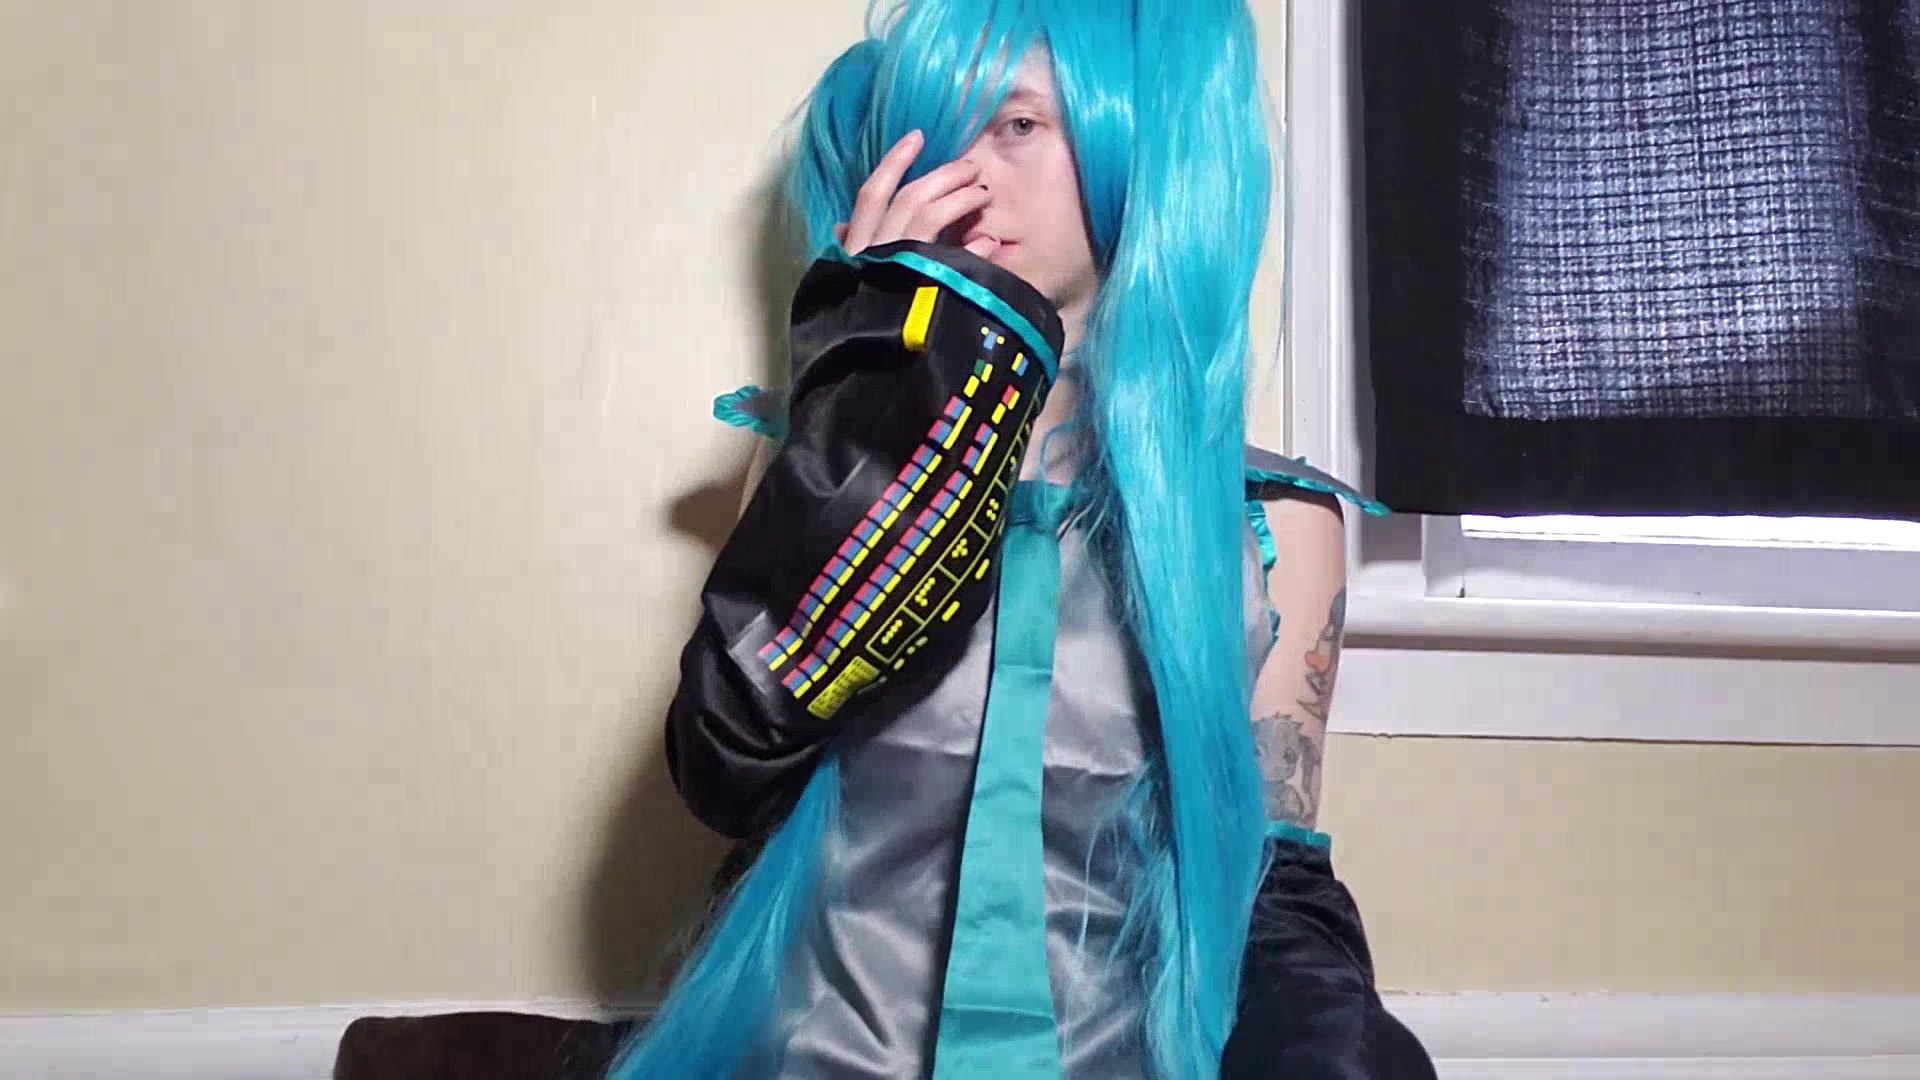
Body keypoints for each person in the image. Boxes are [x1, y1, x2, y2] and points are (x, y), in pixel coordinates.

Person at [610, 0, 1437, 1076]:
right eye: (934, 131)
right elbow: (729, 773)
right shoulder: (808, 465)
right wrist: (879, 398)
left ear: (1135, 142)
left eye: (1017, 126)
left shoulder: (1273, 526)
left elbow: (1271, 883)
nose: (964, 176)